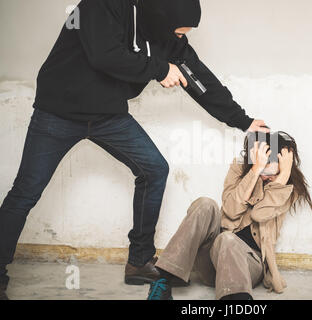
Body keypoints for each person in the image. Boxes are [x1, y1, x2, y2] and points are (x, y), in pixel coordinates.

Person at [0, 0, 270, 300]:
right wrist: (159, 69)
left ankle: (139, 261)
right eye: (179, 32)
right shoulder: (103, 5)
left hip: (108, 116)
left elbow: (199, 79)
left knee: (154, 169)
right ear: (163, 16)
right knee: (25, 192)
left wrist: (242, 120)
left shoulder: (167, 37)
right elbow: (104, 55)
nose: (180, 39)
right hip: (58, 112)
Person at [147, 131, 312, 300]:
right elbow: (230, 210)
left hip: (248, 265)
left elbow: (259, 213)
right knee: (206, 204)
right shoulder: (240, 169)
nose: (267, 177)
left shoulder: (288, 188)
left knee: (228, 239)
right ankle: (163, 279)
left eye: (273, 173)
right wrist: (255, 171)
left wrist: (283, 175)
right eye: (263, 170)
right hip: (213, 260)